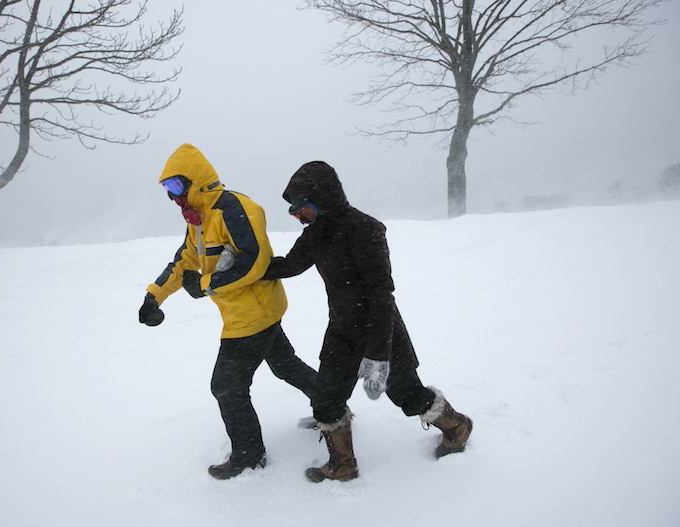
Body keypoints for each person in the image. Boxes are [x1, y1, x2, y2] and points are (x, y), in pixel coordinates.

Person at [263, 160, 473, 483]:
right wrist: (246, 268)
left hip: (380, 330)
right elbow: (290, 265)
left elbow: (381, 295)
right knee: (327, 399)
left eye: (304, 211)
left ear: (324, 199)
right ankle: (343, 465)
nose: (302, 220)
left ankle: (457, 427)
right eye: (297, 215)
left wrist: (378, 356)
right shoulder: (316, 234)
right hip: (342, 332)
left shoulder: (364, 229)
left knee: (408, 395)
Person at [138, 144, 319, 480]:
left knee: (227, 387)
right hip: (248, 313)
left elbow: (255, 263)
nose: (173, 196)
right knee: (285, 366)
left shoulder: (233, 208)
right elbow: (183, 262)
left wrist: (205, 285)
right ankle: (331, 406)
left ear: (195, 179)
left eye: (177, 186)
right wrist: (154, 297)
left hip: (253, 315)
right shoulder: (199, 219)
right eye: (167, 190)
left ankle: (249, 456)